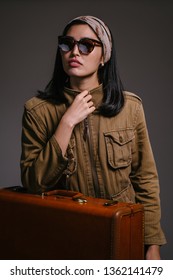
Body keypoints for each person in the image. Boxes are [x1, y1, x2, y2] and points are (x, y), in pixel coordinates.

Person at [20, 15, 166, 259]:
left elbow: (145, 179)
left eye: (86, 45)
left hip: (123, 234)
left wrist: (152, 245)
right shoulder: (38, 111)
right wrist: (66, 123)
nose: (74, 51)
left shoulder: (130, 107)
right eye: (67, 44)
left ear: (104, 57)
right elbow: (33, 184)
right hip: (67, 238)